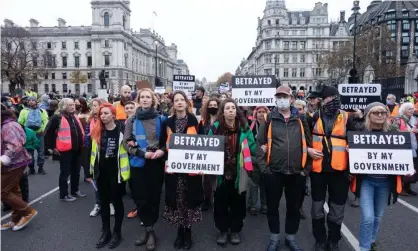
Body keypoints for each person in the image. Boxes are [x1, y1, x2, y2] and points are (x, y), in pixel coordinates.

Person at [306, 86, 363, 251]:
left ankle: (334, 240)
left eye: (334, 96)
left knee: (337, 209)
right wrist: (308, 150)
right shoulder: (313, 117)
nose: (332, 99)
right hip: (318, 171)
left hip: (340, 172)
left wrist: (353, 147)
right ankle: (320, 239)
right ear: (321, 100)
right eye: (328, 97)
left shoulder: (348, 118)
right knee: (317, 209)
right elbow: (305, 139)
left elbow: (360, 138)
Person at [256, 85, 311, 251]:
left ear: (291, 99)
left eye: (284, 96)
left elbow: (309, 145)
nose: (281, 100)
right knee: (272, 207)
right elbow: (259, 146)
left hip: (296, 173)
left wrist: (305, 171)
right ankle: (274, 238)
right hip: (274, 172)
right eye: (278, 97)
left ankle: (290, 238)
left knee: (293, 208)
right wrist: (265, 170)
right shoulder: (269, 118)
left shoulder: (301, 119)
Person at [350, 102, 403, 251]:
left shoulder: (394, 132)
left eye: (382, 112)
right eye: (375, 112)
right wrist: (352, 152)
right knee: (368, 217)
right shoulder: (361, 133)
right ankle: (364, 247)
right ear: (368, 115)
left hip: (386, 182)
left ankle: (371, 240)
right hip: (367, 181)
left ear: (387, 115)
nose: (380, 115)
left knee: (377, 217)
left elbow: (402, 155)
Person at [208, 98, 256, 246]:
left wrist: (254, 149)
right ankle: (223, 230)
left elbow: (252, 148)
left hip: (239, 173)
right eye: (227, 108)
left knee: (238, 204)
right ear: (222, 111)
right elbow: (208, 148)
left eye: (233, 108)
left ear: (237, 111)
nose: (230, 110)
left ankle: (235, 230)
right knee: (221, 204)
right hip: (221, 174)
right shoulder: (215, 128)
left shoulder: (244, 127)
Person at [124, 88, 166, 250]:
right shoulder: (131, 120)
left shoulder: (161, 119)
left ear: (153, 100)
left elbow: (166, 141)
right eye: (143, 97)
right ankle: (148, 230)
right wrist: (141, 153)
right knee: (140, 197)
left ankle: (150, 230)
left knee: (154, 197)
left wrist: (161, 150)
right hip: (138, 163)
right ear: (138, 100)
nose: (145, 99)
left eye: (148, 97)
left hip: (155, 163)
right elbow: (126, 143)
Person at [161, 91, 203, 250]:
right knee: (177, 200)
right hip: (174, 169)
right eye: (176, 100)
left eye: (182, 100)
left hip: (191, 169)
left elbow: (204, 145)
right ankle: (180, 232)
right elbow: (162, 144)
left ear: (186, 103)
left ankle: (188, 232)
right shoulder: (167, 122)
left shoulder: (196, 122)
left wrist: (202, 165)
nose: (179, 102)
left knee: (189, 200)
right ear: (173, 104)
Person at [90, 103, 130, 249]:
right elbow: (92, 152)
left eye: (106, 113)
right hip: (101, 173)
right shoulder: (98, 131)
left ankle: (117, 232)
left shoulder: (122, 131)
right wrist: (91, 172)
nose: (103, 116)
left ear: (113, 115)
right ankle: (106, 231)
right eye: (101, 114)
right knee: (104, 203)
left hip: (117, 173)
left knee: (117, 202)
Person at [1, 104, 38, 231]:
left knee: (3, 192)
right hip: (12, 163)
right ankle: (16, 219)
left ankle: (28, 211)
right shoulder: (5, 124)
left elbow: (14, 145)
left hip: (14, 163)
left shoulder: (9, 126)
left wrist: (3, 159)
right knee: (14, 192)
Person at [45, 98, 86, 202]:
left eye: (73, 105)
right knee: (65, 173)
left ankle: (75, 190)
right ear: (63, 106)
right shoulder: (56, 118)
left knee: (76, 172)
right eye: (69, 105)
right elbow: (48, 133)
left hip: (76, 149)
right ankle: (63, 195)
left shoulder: (74, 116)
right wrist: (53, 147)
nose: (72, 107)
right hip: (64, 150)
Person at [85, 98, 109, 217]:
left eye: (96, 105)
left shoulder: (106, 120)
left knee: (108, 182)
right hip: (94, 153)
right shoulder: (90, 120)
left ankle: (109, 203)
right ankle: (98, 203)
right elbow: (87, 137)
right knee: (96, 181)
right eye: (92, 105)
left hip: (105, 153)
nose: (93, 107)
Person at [198, 97, 220, 211]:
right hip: (206, 153)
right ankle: (207, 200)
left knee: (219, 179)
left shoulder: (222, 121)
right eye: (210, 105)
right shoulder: (203, 121)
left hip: (219, 153)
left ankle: (218, 199)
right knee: (206, 179)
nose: (213, 107)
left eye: (215, 105)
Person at [18, 96, 48, 175]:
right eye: (29, 100)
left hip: (39, 133)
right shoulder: (23, 111)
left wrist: (43, 130)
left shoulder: (42, 111)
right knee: (29, 152)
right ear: (27, 102)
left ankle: (41, 168)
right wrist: (23, 132)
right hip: (28, 135)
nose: (31, 102)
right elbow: (20, 122)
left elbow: (45, 121)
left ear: (36, 102)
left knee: (41, 152)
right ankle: (32, 169)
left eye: (33, 100)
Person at [392, 102, 418, 196]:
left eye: (412, 109)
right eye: (409, 109)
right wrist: (406, 131)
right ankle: (401, 187)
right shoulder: (398, 119)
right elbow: (393, 131)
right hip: (402, 148)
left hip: (413, 146)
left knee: (413, 167)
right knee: (404, 167)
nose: (412, 110)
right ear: (404, 110)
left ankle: (408, 187)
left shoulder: (415, 119)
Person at [247, 106, 269, 216]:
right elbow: (247, 143)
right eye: (259, 112)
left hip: (266, 160)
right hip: (254, 159)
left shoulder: (270, 125)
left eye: (263, 112)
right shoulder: (251, 126)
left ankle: (265, 205)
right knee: (253, 184)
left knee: (265, 184)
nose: (261, 114)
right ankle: (252, 205)